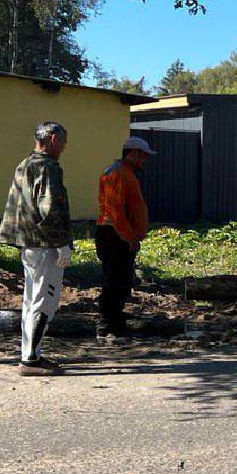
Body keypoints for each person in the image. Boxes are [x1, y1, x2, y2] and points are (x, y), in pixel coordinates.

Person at [0, 121, 72, 376]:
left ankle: (30, 354)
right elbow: (49, 208)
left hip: (28, 243)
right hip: (45, 245)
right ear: (52, 139)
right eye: (62, 141)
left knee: (31, 300)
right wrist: (62, 243)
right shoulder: (47, 167)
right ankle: (31, 360)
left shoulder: (25, 164)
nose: (64, 147)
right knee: (44, 301)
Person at [95, 135, 156, 340]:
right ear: (133, 153)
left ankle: (114, 321)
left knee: (120, 280)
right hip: (115, 235)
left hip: (118, 234)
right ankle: (107, 325)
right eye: (143, 156)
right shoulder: (118, 173)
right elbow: (115, 211)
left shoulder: (124, 172)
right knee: (114, 280)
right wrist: (129, 237)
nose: (145, 160)